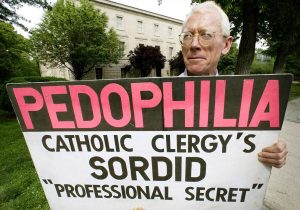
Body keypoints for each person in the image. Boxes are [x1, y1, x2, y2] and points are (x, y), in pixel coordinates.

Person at [178, 1, 287, 168]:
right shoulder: (153, 97)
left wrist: (271, 151)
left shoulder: (247, 102)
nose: (194, 44)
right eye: (188, 35)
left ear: (227, 44)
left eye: (206, 34)